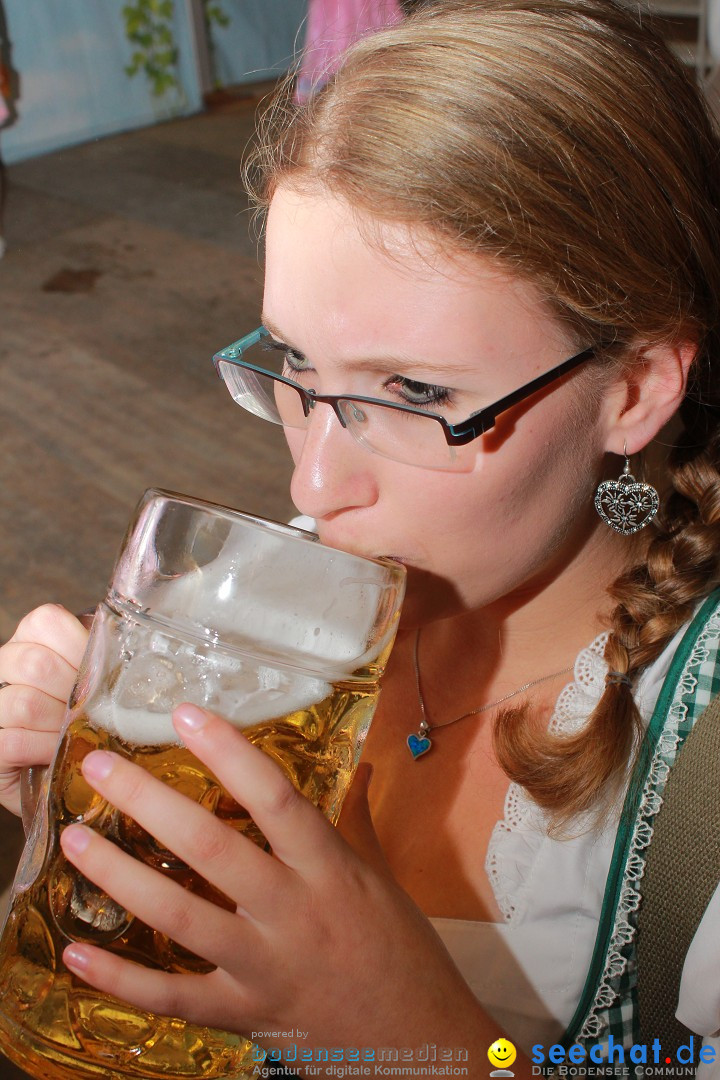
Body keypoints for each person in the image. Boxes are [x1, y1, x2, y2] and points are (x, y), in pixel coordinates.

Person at [1, 0, 720, 1075]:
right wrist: (42, 832)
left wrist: (417, 1043)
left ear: (636, 389)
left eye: (416, 392)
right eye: (295, 368)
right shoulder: (250, 613)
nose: (314, 483)